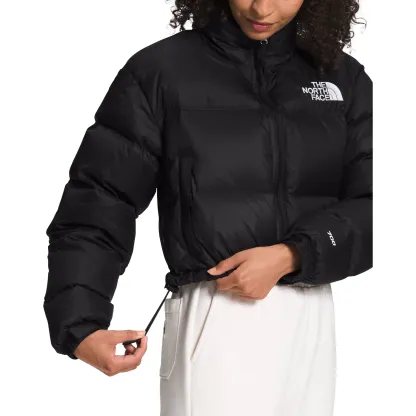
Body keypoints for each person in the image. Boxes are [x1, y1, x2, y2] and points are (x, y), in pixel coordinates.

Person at [44, 0, 372, 415]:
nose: (261, 7)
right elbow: (100, 198)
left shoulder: (342, 78)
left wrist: (294, 254)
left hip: (312, 315)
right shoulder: (163, 71)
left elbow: (379, 204)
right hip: (216, 312)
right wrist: (79, 325)